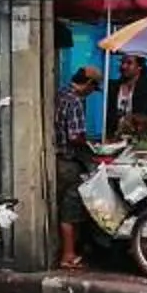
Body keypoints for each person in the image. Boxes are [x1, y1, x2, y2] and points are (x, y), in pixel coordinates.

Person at [53, 65, 101, 270]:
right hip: (70, 162)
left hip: (56, 159)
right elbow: (75, 136)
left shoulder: (60, 94)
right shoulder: (75, 102)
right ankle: (69, 255)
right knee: (70, 211)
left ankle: (64, 251)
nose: (92, 93)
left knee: (61, 207)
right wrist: (90, 145)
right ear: (89, 84)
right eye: (93, 88)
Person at [106, 54, 147, 138]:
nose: (124, 66)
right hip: (115, 136)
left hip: (138, 136)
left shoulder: (146, 89)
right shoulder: (113, 88)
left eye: (129, 63)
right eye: (122, 62)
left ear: (139, 67)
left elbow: (143, 116)